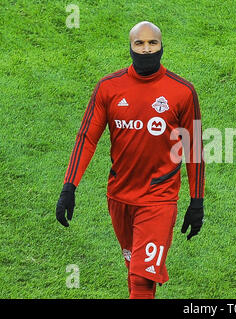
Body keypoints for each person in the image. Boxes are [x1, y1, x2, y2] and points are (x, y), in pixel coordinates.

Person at [55, 21, 205, 299]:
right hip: (120, 197)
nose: (146, 49)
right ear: (130, 47)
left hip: (159, 199)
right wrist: (69, 187)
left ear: (162, 47)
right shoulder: (108, 88)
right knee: (133, 268)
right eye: (140, 43)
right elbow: (87, 138)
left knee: (142, 278)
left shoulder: (182, 91)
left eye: (152, 43)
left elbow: (194, 149)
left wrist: (197, 201)